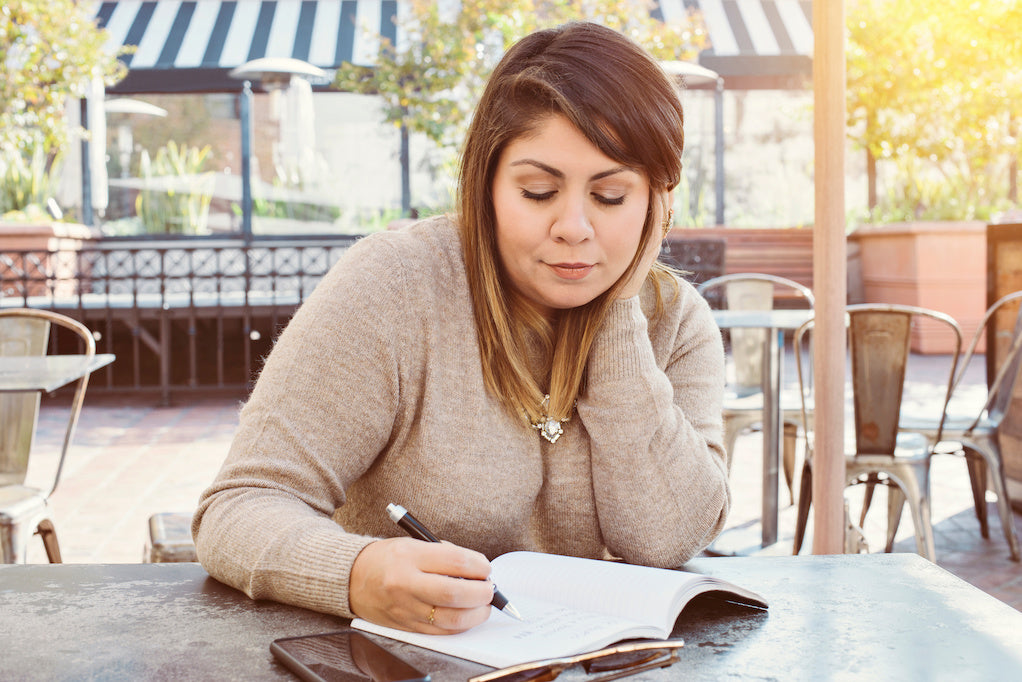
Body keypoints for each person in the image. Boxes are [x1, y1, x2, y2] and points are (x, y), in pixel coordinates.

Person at [193, 21, 728, 637]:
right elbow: (237, 507)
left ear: (657, 203)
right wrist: (357, 573)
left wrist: (613, 313)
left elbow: (671, 537)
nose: (573, 226)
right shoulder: (395, 286)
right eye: (538, 191)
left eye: (610, 196)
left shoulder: (676, 320)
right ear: (487, 185)